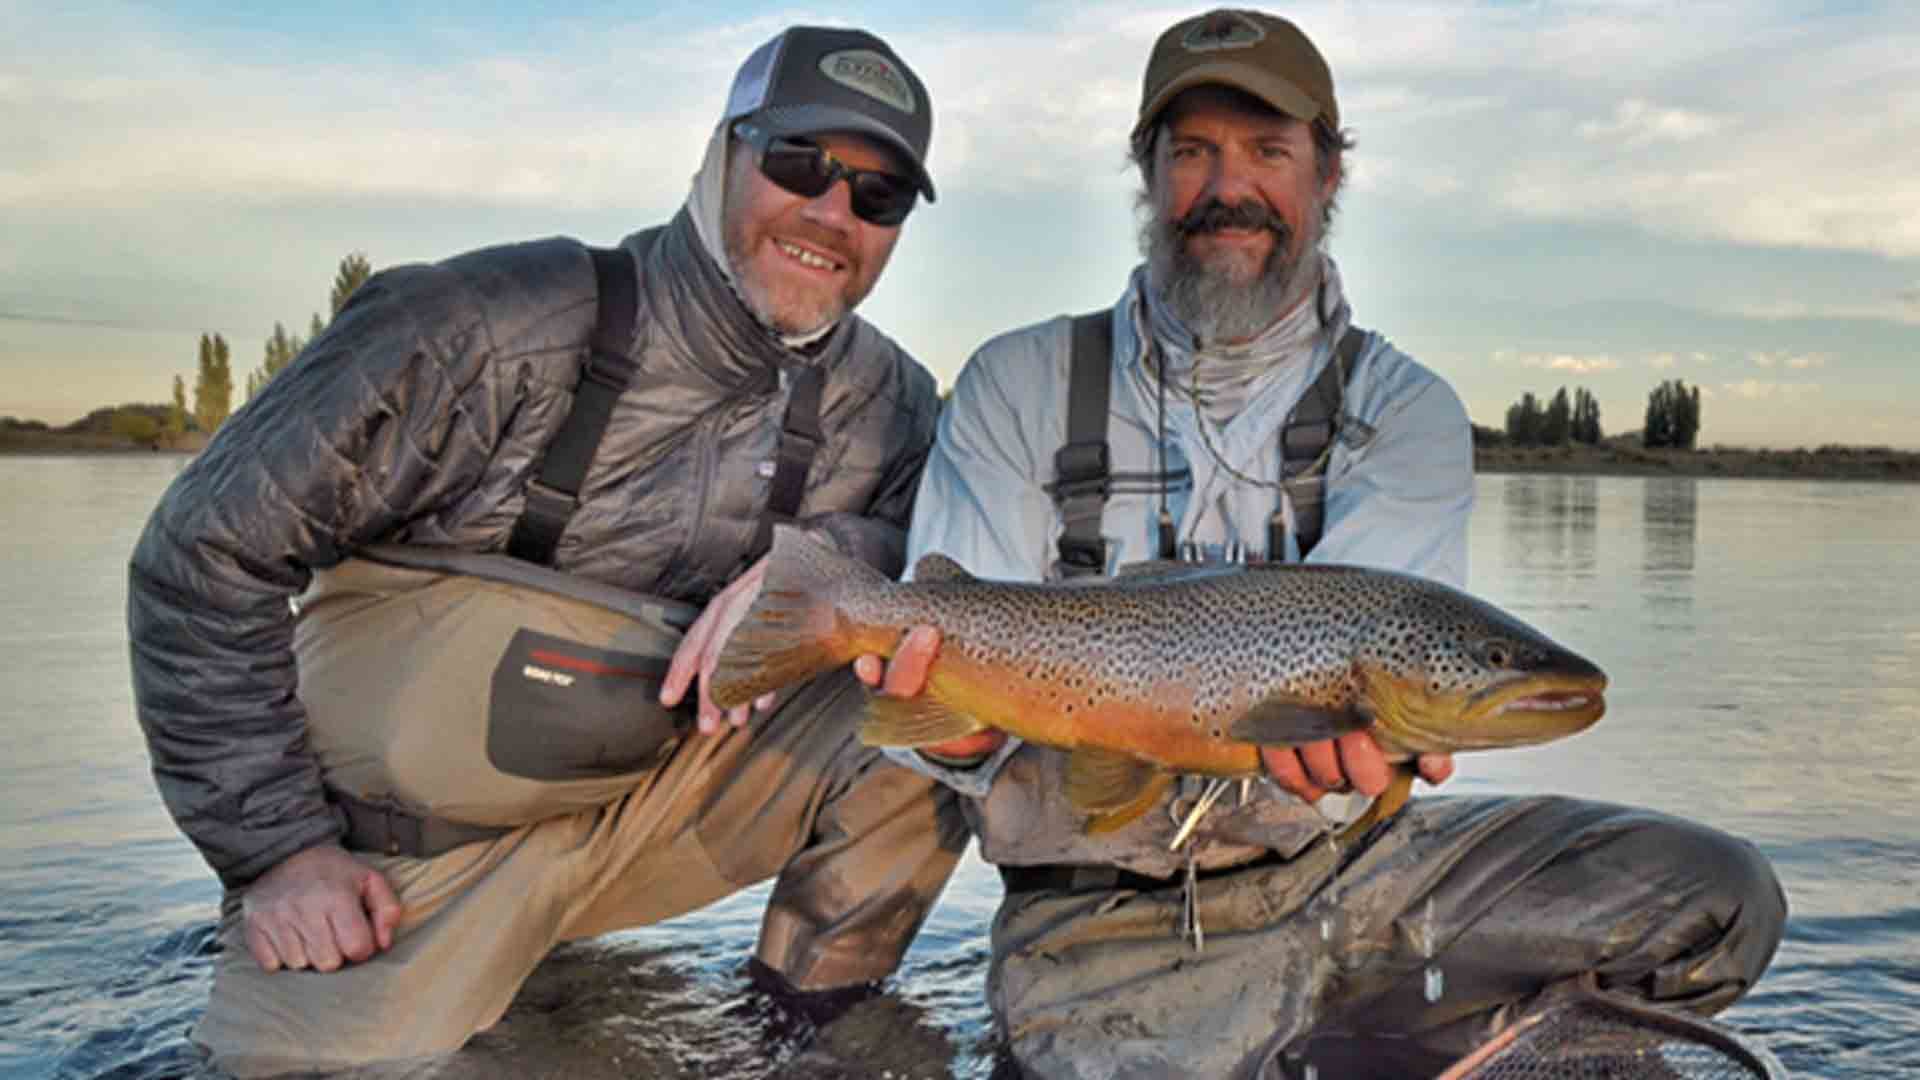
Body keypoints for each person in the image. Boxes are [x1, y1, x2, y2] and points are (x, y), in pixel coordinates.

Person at [858, 10, 1787, 1078]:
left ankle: (1459, 1044)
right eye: (1193, 151)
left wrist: (1351, 754)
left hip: (1359, 877)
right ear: (1145, 173)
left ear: (1329, 175)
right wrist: (955, 735)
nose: (1228, 187)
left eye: (1268, 151)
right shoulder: (1014, 387)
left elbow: (1380, 660)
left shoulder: (1404, 411)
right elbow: (929, 726)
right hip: (1093, 928)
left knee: (1719, 893)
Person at [128, 25, 967, 1077]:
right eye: (799, 164)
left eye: (877, 197)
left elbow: (948, 558)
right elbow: (199, 557)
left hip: (642, 826)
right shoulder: (475, 324)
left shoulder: (891, 403)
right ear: (720, 155)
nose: (832, 214)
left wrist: (830, 554)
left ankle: (800, 1025)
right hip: (389, 868)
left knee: (936, 706)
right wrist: (278, 854)